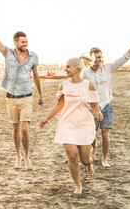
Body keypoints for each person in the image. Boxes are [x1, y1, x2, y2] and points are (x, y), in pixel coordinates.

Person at [0, 7, 43, 170]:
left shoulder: (33, 56)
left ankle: (27, 158)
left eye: (26, 42)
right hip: (11, 98)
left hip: (27, 97)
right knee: (15, 129)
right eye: (22, 42)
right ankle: (18, 157)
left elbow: (36, 75)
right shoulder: (8, 53)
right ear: (15, 43)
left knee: (25, 129)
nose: (25, 44)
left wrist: (40, 94)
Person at [39, 56, 103, 194]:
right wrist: (47, 118)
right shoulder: (63, 85)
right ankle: (78, 185)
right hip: (67, 124)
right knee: (72, 156)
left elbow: (94, 105)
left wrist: (98, 113)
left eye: (68, 67)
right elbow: (59, 105)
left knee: (85, 160)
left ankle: (89, 165)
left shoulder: (88, 85)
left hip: (84, 124)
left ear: (77, 69)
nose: (65, 69)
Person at [83, 32, 130, 167]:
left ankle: (104, 159)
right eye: (96, 58)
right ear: (90, 59)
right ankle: (93, 149)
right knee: (91, 135)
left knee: (105, 135)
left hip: (106, 106)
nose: (98, 60)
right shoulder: (85, 73)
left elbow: (124, 58)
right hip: (91, 108)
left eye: (100, 57)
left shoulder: (108, 68)